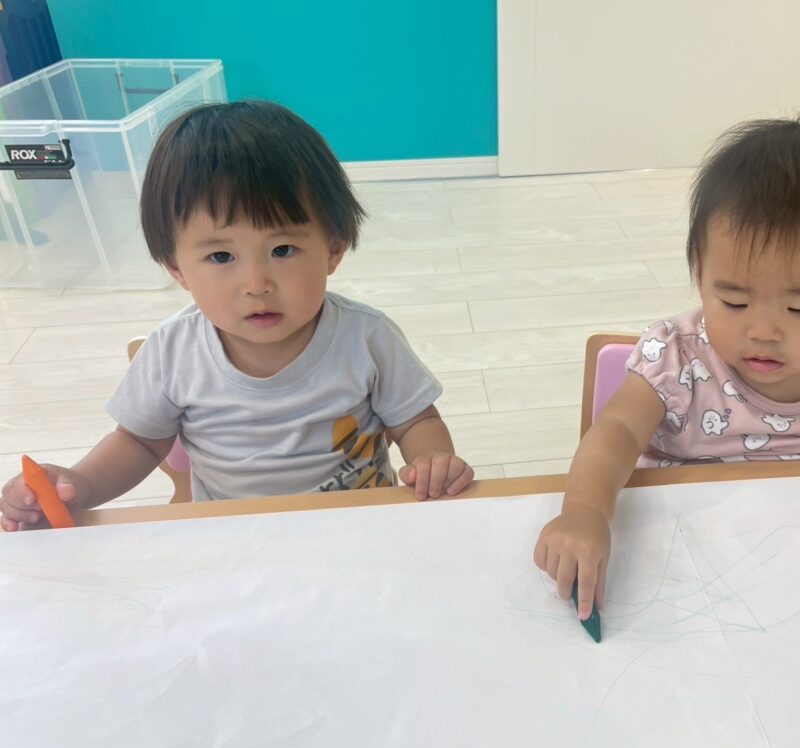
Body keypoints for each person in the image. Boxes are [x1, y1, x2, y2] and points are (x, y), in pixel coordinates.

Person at [1, 101, 473, 531]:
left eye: (282, 249)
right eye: (221, 257)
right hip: (233, 537)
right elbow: (140, 443)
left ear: (333, 249)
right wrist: (80, 485)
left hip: (359, 527)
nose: (256, 284)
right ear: (177, 269)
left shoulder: (366, 337)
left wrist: (432, 460)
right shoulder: (172, 351)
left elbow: (414, 420)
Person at [534, 111, 800, 621]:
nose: (763, 331)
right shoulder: (677, 360)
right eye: (733, 301)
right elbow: (616, 431)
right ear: (699, 273)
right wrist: (585, 511)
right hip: (679, 566)